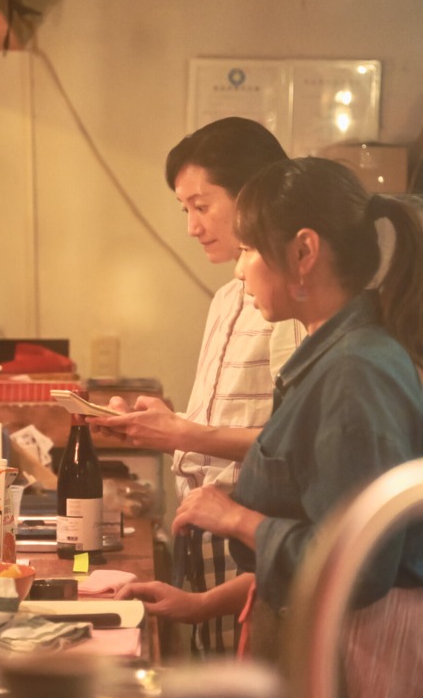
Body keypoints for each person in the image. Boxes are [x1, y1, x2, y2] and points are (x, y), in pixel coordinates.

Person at [115, 157, 423, 698]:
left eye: (249, 249)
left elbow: (358, 565)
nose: (240, 270)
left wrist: (234, 518)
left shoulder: (354, 372)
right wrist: (202, 606)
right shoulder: (332, 355)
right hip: (338, 637)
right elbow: (317, 525)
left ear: (303, 252)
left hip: (369, 654)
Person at [89, 117, 297, 656]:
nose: (191, 226)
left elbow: (292, 444)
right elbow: (220, 422)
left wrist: (183, 432)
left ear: (254, 197)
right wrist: (166, 425)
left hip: (250, 536)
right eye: (185, 210)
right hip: (206, 530)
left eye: (202, 207)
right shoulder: (228, 297)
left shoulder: (292, 305)